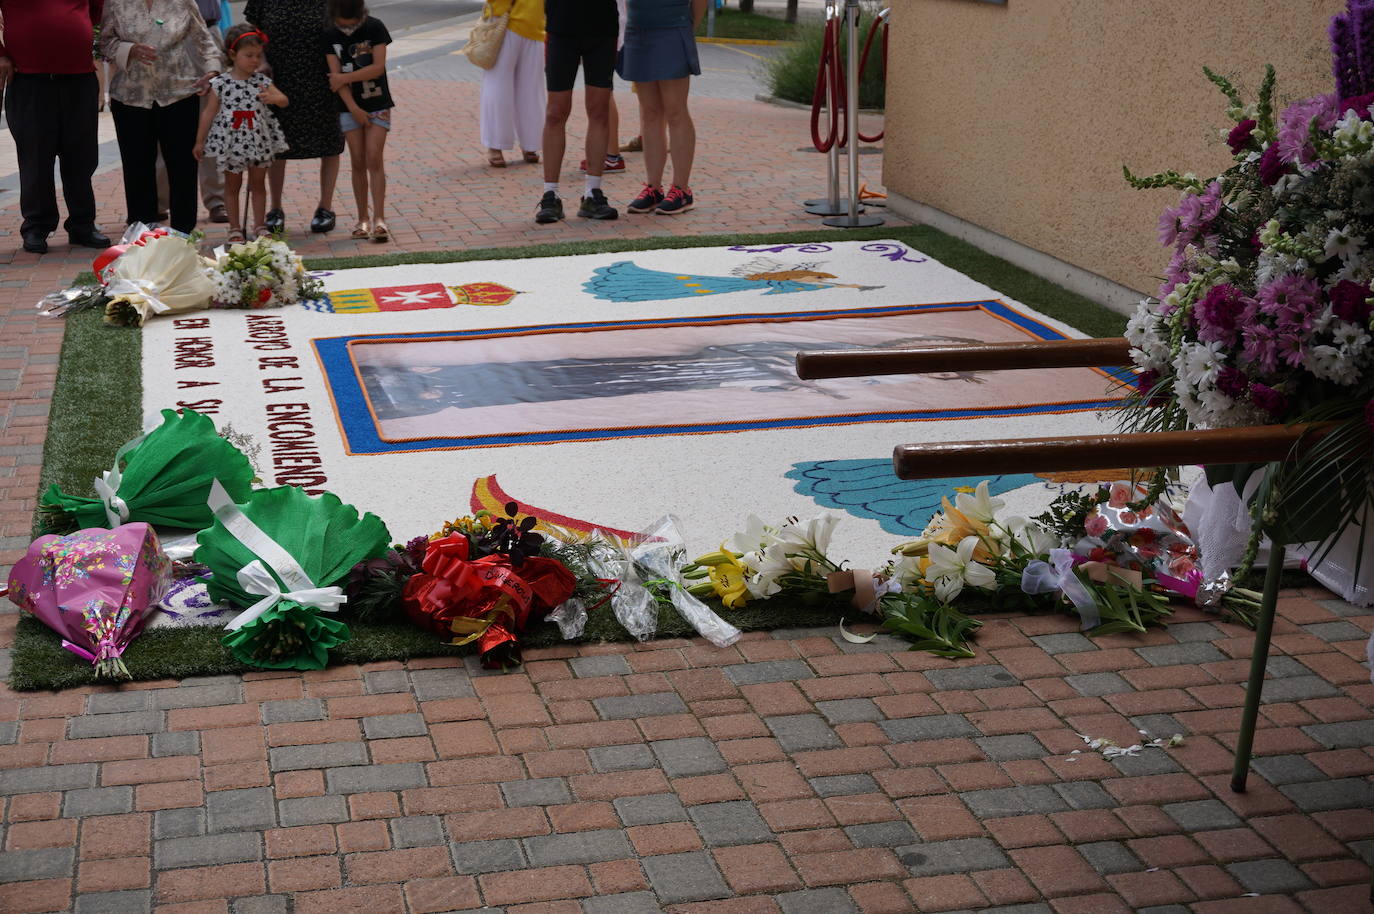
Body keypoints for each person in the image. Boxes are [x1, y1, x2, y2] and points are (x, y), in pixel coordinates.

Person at [100, 0, 223, 235]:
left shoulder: (183, 2)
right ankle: (141, 231)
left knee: (182, 167)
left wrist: (212, 71)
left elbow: (206, 43)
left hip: (179, 94)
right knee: (137, 167)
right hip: (130, 96)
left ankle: (183, 232)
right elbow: (105, 43)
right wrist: (129, 50)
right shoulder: (116, 2)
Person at [0, 0, 111, 255]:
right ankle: (37, 226)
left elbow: (95, 10)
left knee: (81, 156)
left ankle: (82, 224)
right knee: (35, 157)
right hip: (28, 79)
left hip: (79, 77)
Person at [243, 0, 344, 235]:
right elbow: (253, 31)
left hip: (322, 77)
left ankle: (325, 207)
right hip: (279, 77)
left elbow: (346, 30)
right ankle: (275, 209)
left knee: (330, 142)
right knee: (277, 144)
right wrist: (262, 61)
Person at [193, 25, 288, 241]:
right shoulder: (221, 83)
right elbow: (208, 112)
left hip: (258, 140)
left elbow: (283, 100)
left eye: (258, 55)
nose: (254, 60)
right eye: (249, 55)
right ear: (233, 55)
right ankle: (235, 228)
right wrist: (200, 141)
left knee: (258, 184)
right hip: (232, 141)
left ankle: (260, 226)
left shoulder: (262, 81)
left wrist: (274, 99)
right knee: (232, 184)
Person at [619, 0, 707, 215]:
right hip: (638, 29)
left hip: (672, 26)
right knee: (649, 113)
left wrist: (684, 28)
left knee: (675, 111)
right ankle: (653, 188)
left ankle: (681, 190)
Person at [536, 0, 620, 224]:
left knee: (599, 110)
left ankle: (593, 193)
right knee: (556, 112)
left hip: (602, 29)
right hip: (561, 28)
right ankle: (550, 194)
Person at [325, 0, 393, 243]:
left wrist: (345, 77)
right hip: (348, 108)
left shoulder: (375, 28)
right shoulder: (329, 33)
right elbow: (334, 80)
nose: (346, 25)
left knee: (374, 157)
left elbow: (377, 68)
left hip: (378, 103)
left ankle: (380, 218)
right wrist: (353, 108)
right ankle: (362, 217)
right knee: (357, 160)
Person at [479, 0, 543, 170]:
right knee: (505, 86)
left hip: (532, 20)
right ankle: (500, 144)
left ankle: (527, 142)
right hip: (506, 19)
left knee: (528, 88)